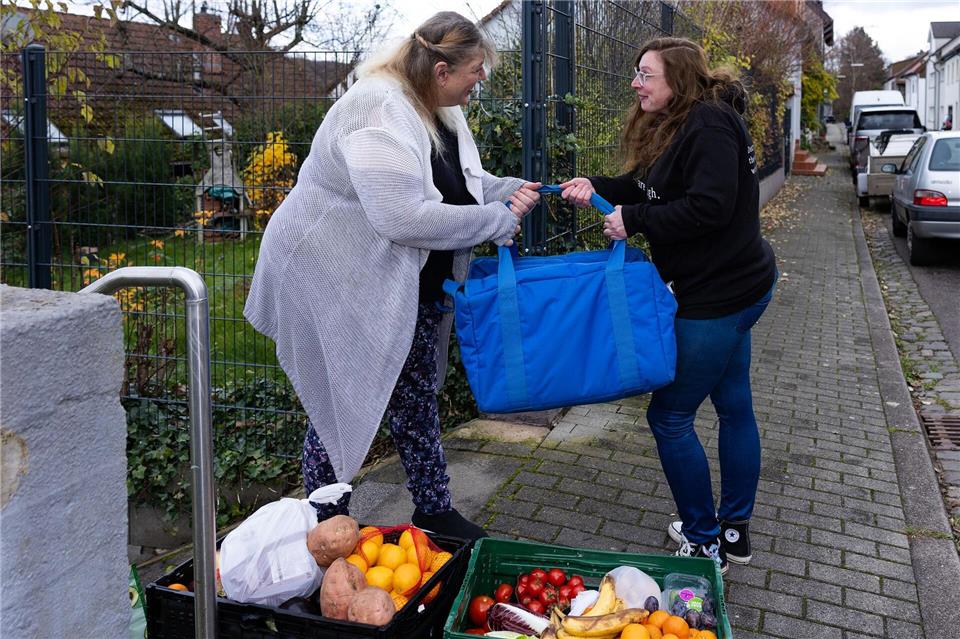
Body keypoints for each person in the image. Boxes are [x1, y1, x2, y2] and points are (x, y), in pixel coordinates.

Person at [244, 11, 541, 541]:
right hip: (330, 269)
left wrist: (512, 190)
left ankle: (433, 509)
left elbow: (458, 184)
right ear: (442, 68)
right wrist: (496, 221)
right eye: (477, 70)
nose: (481, 82)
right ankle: (326, 526)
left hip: (402, 275)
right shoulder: (378, 109)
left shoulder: (437, 108)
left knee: (414, 392)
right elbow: (402, 216)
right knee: (341, 395)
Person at [560, 37, 777, 573]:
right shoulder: (682, 123)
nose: (636, 83)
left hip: (720, 296)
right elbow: (647, 186)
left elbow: (710, 206)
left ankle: (705, 543)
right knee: (733, 405)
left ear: (677, 78)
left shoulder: (708, 126)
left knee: (671, 414)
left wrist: (634, 222)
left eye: (646, 74)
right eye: (637, 73)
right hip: (736, 287)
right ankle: (732, 532)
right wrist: (597, 188)